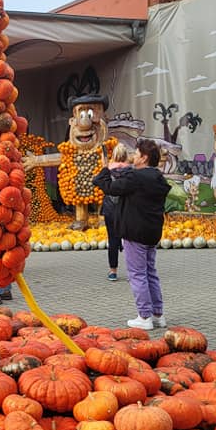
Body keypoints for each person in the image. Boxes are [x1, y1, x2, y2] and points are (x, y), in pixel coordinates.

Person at [93, 138, 171, 330]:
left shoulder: (136, 178)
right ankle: (157, 314)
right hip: (152, 231)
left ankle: (144, 317)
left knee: (137, 274)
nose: (133, 157)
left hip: (134, 231)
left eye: (136, 153)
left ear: (144, 158)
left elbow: (110, 188)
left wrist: (104, 169)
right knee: (150, 272)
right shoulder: (159, 178)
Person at [101, 143, 133, 281]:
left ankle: (113, 270)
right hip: (127, 210)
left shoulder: (107, 171)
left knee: (112, 240)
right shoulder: (131, 173)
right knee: (130, 241)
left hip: (110, 210)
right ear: (126, 156)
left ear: (113, 156)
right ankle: (132, 271)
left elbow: (101, 186)